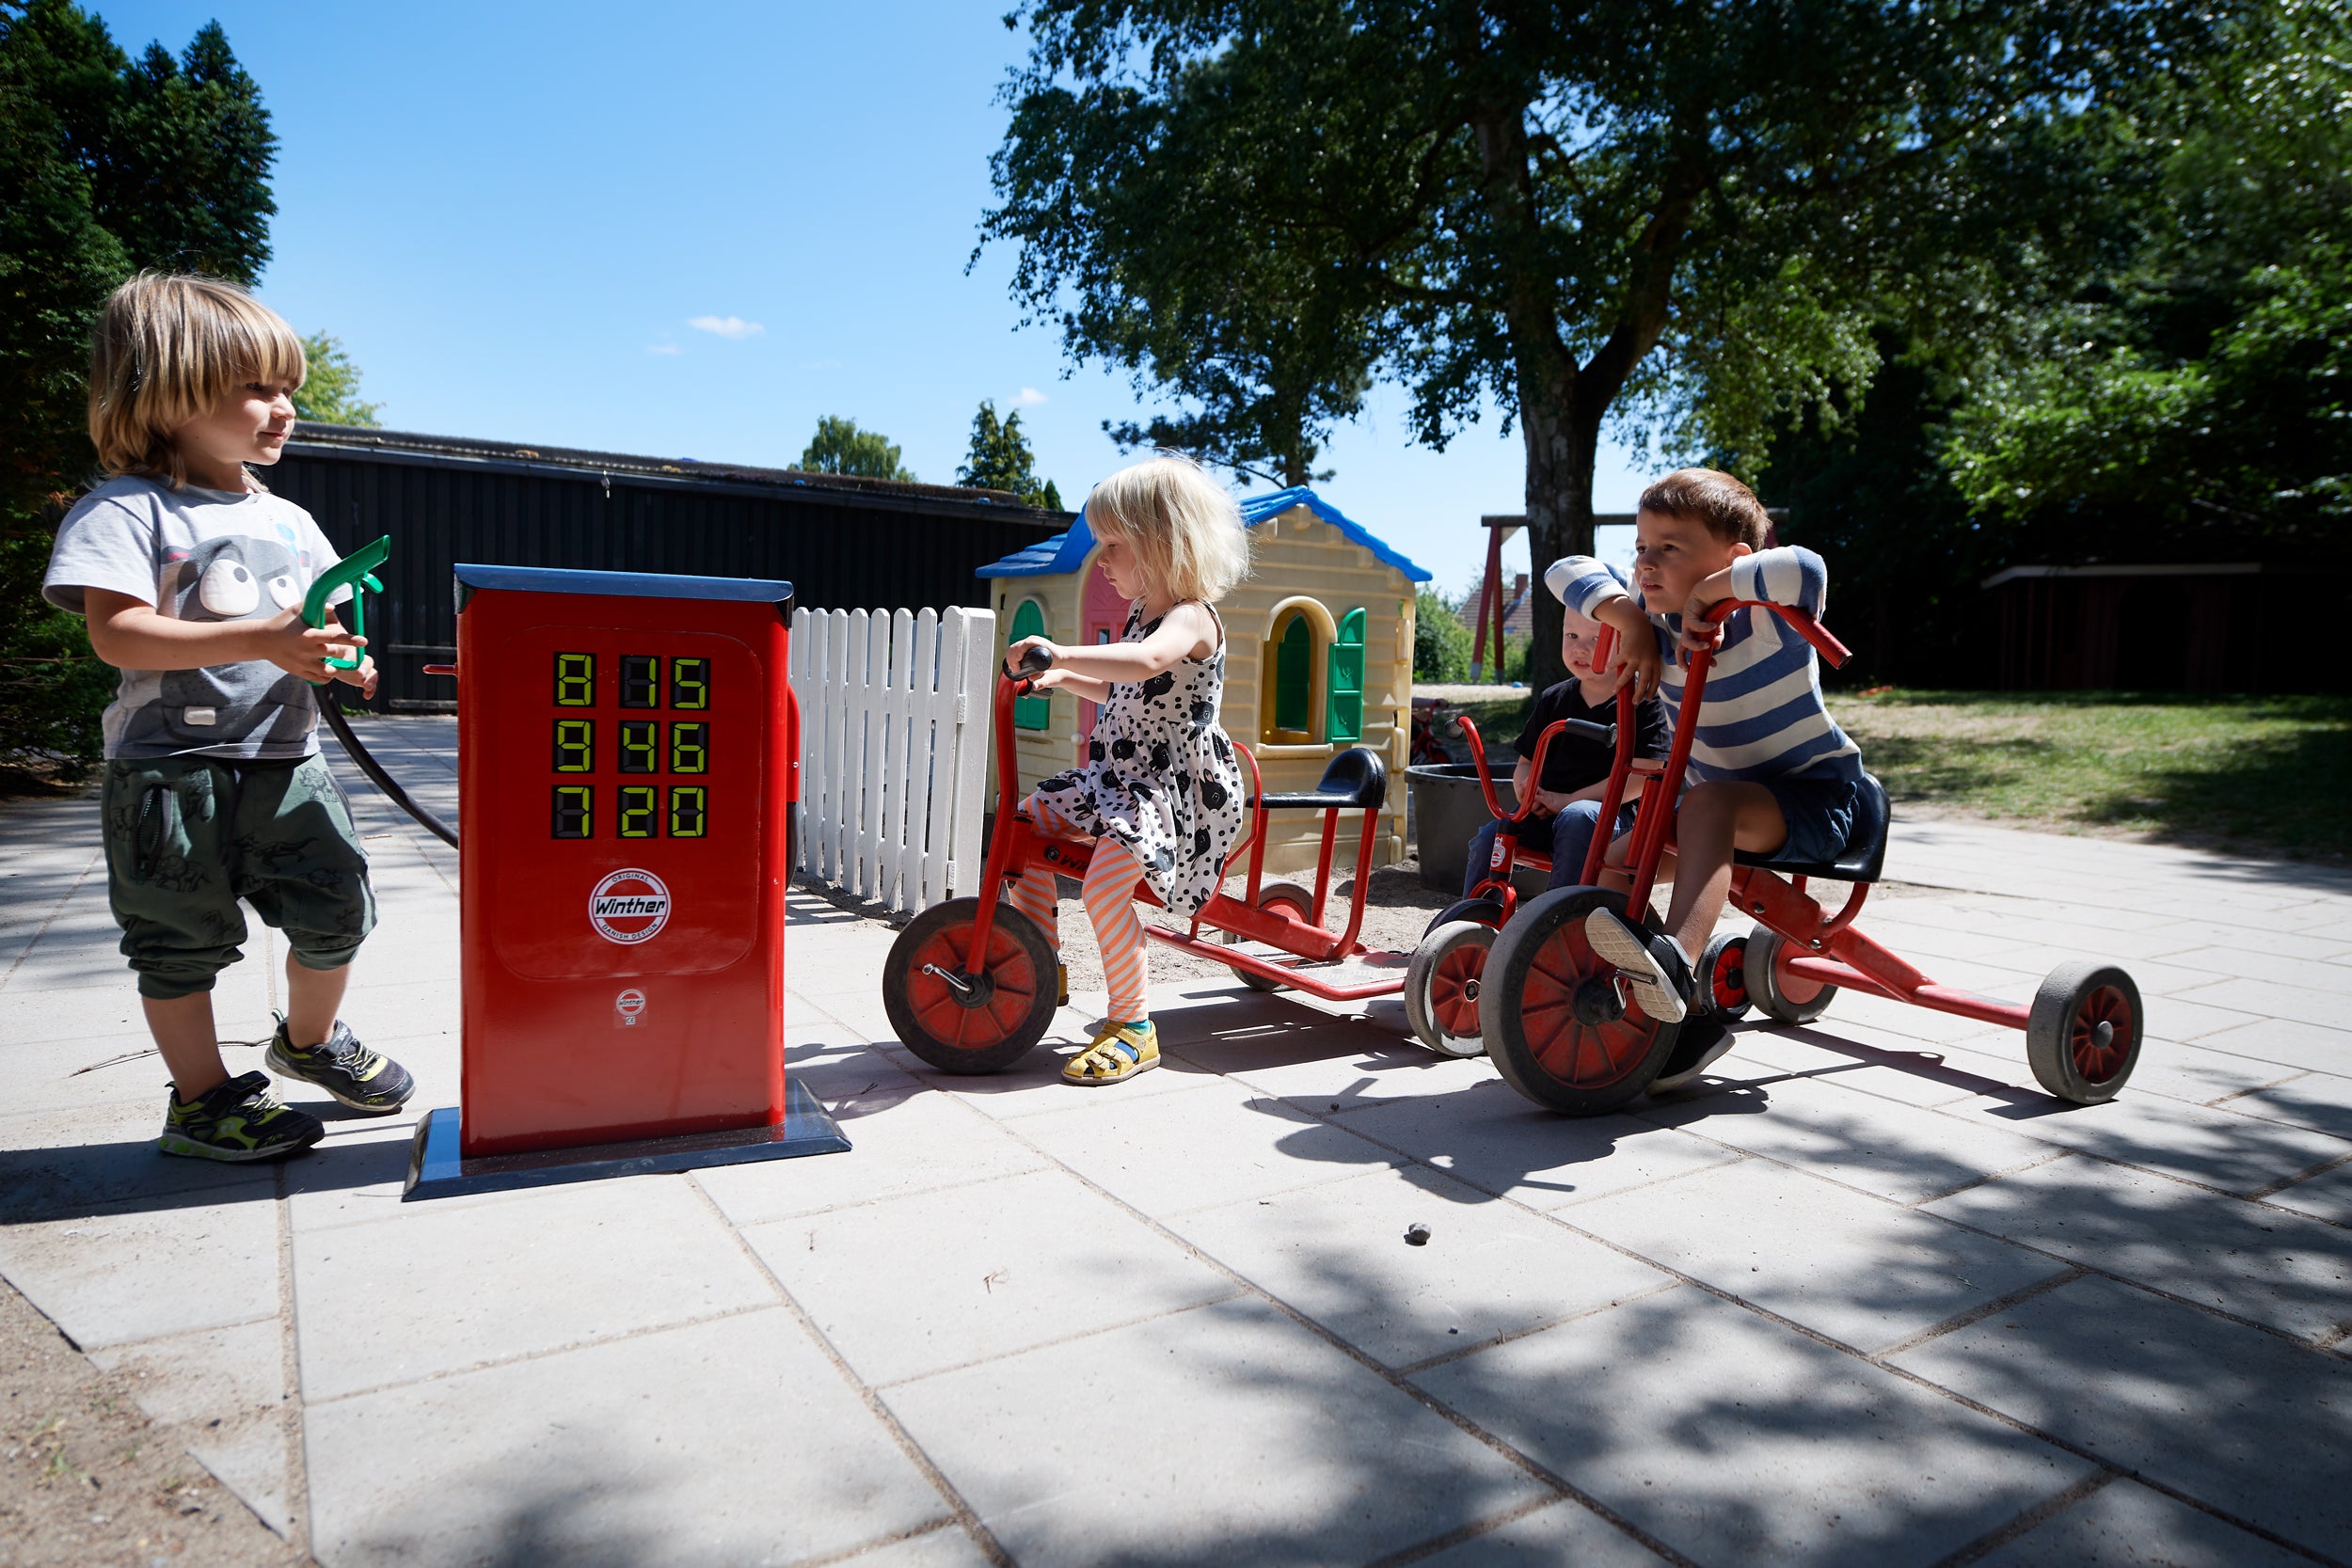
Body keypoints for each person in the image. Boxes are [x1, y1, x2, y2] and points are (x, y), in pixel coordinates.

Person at [43, 273, 415, 1160]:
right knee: (178, 943)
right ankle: (203, 1099)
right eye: (257, 389)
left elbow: (318, 624)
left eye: (288, 389)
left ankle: (310, 1042)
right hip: (171, 772)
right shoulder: (127, 510)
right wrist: (263, 637)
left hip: (289, 761)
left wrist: (343, 657)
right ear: (163, 391)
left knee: (338, 913)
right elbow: (118, 633)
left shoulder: (289, 519)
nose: (282, 409)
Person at [1545, 467, 1880, 1090]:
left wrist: (1715, 593)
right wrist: (1630, 616)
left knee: (1705, 806)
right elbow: (1563, 570)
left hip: (1816, 800)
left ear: (1735, 558)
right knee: (1618, 856)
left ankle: (1678, 960)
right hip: (1721, 805)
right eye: (1641, 548)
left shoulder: (1766, 612)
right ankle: (1683, 1019)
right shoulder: (1653, 617)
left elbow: (1805, 567)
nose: (1645, 563)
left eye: (1669, 548)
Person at [1001, 455, 1251, 1085]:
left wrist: (1060, 649)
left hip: (1164, 794)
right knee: (1028, 819)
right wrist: (1058, 676)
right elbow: (1121, 692)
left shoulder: (1191, 618)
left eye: (1113, 544)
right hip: (1116, 779)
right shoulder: (1144, 612)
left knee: (1102, 887)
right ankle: (1039, 959)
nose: (1102, 559)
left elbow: (1143, 664)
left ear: (1164, 543)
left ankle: (1135, 1026)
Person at [1460, 594, 1669, 902]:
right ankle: (1475, 916)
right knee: (1493, 834)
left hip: (1616, 818)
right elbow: (1526, 762)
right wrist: (1528, 791)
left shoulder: (1643, 700)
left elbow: (1642, 778)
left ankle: (1556, 917)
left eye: (1596, 638)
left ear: (1627, 642)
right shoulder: (1554, 699)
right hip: (1550, 810)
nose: (1580, 648)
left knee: (1577, 816)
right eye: (1571, 635)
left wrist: (1568, 799)